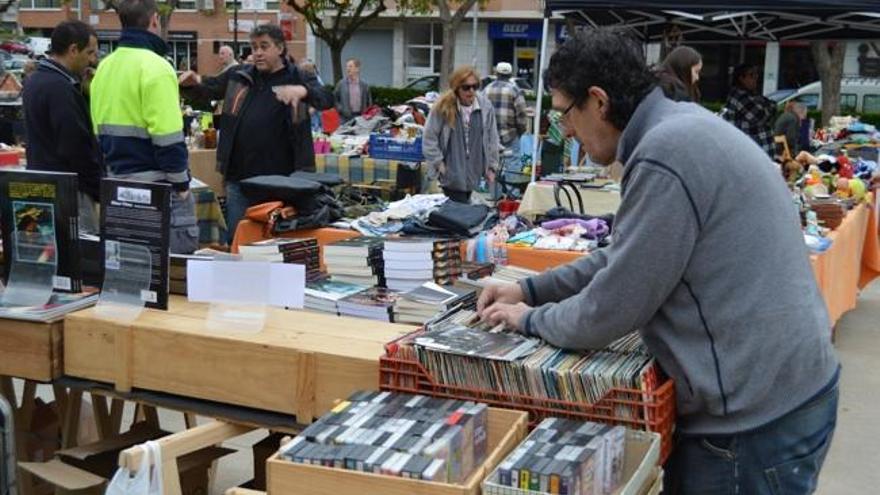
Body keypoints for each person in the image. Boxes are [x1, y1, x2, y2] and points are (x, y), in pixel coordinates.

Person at [477, 29, 838, 494]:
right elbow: (626, 254)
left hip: (757, 422)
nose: (564, 130)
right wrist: (528, 288)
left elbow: (613, 306)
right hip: (783, 396)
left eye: (565, 113)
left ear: (598, 101)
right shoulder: (678, 128)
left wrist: (530, 319)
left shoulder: (665, 153)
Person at [179, 24, 333, 242]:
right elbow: (209, 88)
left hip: (284, 181)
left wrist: (303, 91)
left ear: (280, 48)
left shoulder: (297, 76)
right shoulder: (239, 76)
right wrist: (191, 84)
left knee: (278, 243)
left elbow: (327, 97)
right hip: (240, 179)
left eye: (264, 46)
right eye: (254, 47)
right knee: (239, 240)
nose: (258, 52)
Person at [90, 0, 197, 254]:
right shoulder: (157, 67)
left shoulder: (105, 67)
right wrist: (181, 185)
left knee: (129, 273)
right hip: (158, 189)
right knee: (172, 275)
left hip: (117, 185)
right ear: (154, 21)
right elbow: (168, 137)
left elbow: (97, 130)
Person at [22, 20, 103, 234]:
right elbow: (74, 144)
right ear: (73, 50)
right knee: (83, 256)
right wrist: (97, 188)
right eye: (90, 52)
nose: (92, 60)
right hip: (70, 191)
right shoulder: (61, 88)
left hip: (41, 184)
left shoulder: (35, 81)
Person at [423, 66, 500, 203]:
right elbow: (429, 138)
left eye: (474, 86)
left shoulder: (485, 107)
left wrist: (492, 167)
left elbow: (492, 138)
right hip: (449, 178)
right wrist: (440, 165)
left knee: (473, 216)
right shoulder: (442, 107)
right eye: (466, 87)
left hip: (476, 178)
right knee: (452, 217)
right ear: (457, 88)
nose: (471, 91)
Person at [483, 61, 528, 196]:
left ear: (496, 73)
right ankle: (511, 196)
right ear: (510, 74)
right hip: (510, 134)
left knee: (493, 165)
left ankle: (494, 197)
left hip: (490, 136)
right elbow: (521, 114)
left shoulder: (486, 89)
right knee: (512, 164)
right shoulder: (515, 90)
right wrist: (520, 131)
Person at [721, 64, 777, 157]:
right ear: (741, 78)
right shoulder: (740, 96)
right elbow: (761, 117)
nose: (755, 77)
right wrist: (767, 108)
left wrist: (767, 107)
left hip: (758, 149)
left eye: (756, 74)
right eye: (751, 75)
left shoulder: (752, 95)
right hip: (753, 151)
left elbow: (773, 105)